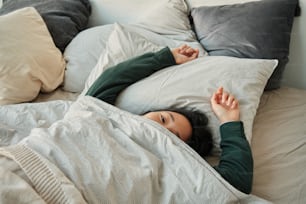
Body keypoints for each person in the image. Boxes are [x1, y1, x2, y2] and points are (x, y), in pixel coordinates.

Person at [86, 45, 253, 194]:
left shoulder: (168, 171)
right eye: (163, 119)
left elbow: (233, 183)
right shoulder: (107, 120)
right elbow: (109, 81)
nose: (160, 127)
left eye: (173, 135)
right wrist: (165, 58)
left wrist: (229, 123)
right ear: (147, 112)